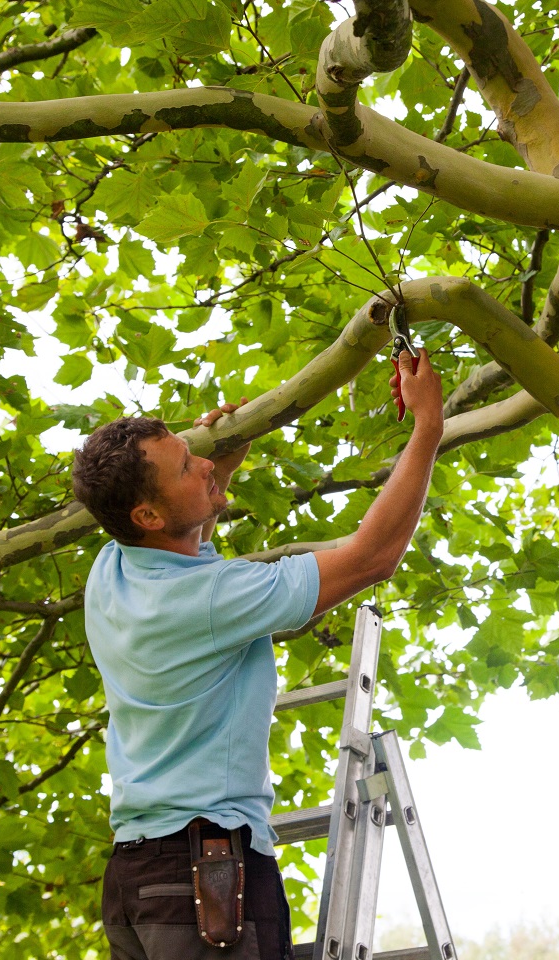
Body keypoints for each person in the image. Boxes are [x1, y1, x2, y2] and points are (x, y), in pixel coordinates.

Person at [70, 351, 444, 960]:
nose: (204, 463)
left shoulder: (111, 570)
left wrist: (215, 475)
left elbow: (181, 546)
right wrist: (429, 426)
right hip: (205, 877)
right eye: (187, 466)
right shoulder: (211, 598)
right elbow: (373, 556)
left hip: (138, 881)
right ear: (147, 514)